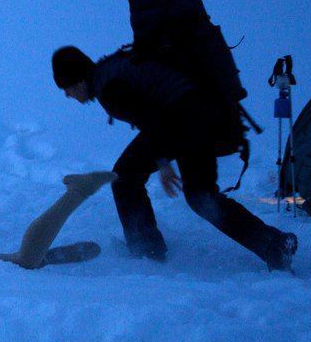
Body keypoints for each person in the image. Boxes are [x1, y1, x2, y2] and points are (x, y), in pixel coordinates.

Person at [52, 46, 297, 271]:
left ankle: (147, 252)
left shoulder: (109, 87)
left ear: (78, 79)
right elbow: (155, 116)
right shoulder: (110, 73)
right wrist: (163, 156)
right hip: (191, 118)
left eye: (67, 87)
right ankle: (274, 244)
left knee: (131, 179)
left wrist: (163, 162)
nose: (67, 94)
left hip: (188, 121)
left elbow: (155, 118)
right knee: (194, 195)